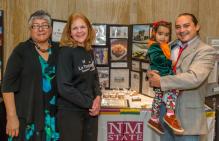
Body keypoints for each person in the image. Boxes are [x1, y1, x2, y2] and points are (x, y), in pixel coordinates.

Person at [147, 13, 216, 141]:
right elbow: (153, 63)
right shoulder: (168, 45)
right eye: (178, 27)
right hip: (164, 110)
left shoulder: (206, 50)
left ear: (197, 26)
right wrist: (151, 73)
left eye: (186, 26)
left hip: (188, 116)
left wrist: (161, 81)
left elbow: (194, 78)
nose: (182, 30)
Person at [1, 10, 60, 141]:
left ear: (50, 29)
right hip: (27, 118)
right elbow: (7, 86)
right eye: (35, 25)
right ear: (30, 30)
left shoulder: (59, 49)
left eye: (44, 25)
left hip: (53, 118)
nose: (40, 29)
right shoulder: (21, 51)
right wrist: (11, 117)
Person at [56, 12, 102, 141]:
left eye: (82, 27)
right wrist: (90, 103)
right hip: (71, 112)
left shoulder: (89, 50)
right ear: (69, 32)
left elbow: (94, 78)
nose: (79, 31)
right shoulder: (65, 52)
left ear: (88, 28)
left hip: (90, 111)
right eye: (75, 28)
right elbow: (64, 87)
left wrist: (98, 97)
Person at [146, 21, 184, 135]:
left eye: (166, 35)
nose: (163, 37)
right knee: (173, 90)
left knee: (158, 96)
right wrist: (170, 63)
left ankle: (153, 118)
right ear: (154, 33)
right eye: (160, 34)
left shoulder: (165, 46)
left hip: (162, 76)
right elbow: (157, 60)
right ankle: (170, 114)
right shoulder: (155, 46)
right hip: (163, 75)